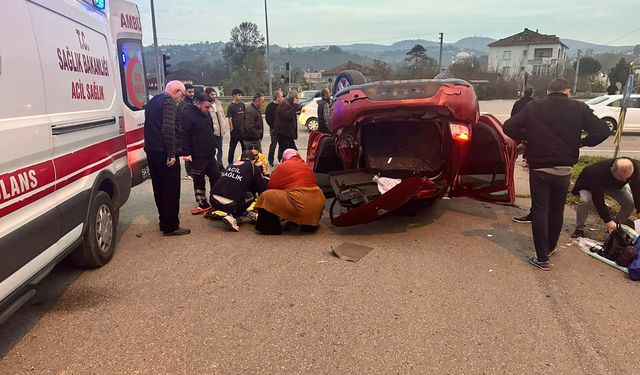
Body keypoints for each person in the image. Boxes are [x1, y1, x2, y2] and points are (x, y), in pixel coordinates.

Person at [503, 78, 609, 270]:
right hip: (564, 170)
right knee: (556, 211)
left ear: (548, 91)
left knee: (540, 212)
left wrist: (528, 138)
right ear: (567, 91)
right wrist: (583, 142)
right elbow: (602, 130)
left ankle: (542, 258)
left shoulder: (534, 106)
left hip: (540, 169)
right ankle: (551, 246)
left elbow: (508, 127)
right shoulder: (579, 108)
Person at [143, 80, 190, 236]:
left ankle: (163, 221)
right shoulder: (169, 103)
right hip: (165, 153)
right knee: (171, 190)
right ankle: (171, 226)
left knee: (159, 188)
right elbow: (168, 129)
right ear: (176, 91)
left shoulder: (153, 101)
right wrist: (171, 153)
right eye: (181, 95)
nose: (181, 99)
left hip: (152, 151)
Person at [255, 149, 326, 235]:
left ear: (284, 158)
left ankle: (270, 228)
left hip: (300, 203)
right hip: (316, 202)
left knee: (267, 196)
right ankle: (309, 225)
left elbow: (271, 186)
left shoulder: (284, 166)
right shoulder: (306, 166)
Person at [571, 158, 640, 238]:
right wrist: (607, 220)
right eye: (622, 177)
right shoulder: (595, 172)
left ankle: (614, 228)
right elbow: (598, 199)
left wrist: (639, 210)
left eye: (627, 178)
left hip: (613, 185)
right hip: (589, 185)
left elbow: (636, 188)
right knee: (585, 200)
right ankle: (579, 228)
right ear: (612, 170)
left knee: (629, 204)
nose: (625, 180)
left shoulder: (634, 168)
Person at [180, 93, 221, 214]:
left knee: (216, 176)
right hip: (197, 154)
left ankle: (216, 199)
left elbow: (210, 130)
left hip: (209, 153)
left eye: (209, 107)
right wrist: (186, 154)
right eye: (206, 107)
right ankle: (201, 202)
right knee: (199, 179)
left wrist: (214, 144)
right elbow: (184, 135)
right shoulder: (187, 114)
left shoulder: (206, 114)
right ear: (198, 104)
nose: (208, 110)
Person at [209, 150, 268, 231]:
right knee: (250, 196)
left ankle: (232, 214)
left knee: (237, 192)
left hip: (213, 200)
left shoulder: (231, 165)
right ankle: (233, 217)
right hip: (230, 204)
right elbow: (262, 189)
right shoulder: (253, 168)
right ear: (253, 160)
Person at [511, 86, 535, 224]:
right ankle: (527, 159)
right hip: (530, 133)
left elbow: (512, 118)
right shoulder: (535, 104)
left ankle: (514, 157)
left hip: (520, 131)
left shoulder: (518, 103)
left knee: (518, 148)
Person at [274, 90, 299, 161]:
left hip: (288, 134)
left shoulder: (288, 104)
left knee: (294, 152)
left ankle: (294, 165)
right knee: (285, 152)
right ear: (293, 98)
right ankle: (284, 165)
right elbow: (288, 116)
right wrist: (294, 106)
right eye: (296, 98)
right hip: (283, 134)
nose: (298, 100)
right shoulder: (283, 105)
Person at [205, 87, 227, 168]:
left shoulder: (218, 104)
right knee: (212, 151)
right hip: (212, 132)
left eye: (215, 94)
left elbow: (223, 116)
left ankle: (220, 165)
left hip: (220, 132)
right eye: (212, 94)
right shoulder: (206, 105)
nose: (214, 96)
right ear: (207, 95)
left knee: (220, 150)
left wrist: (224, 126)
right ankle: (212, 166)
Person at [179, 83, 196, 179]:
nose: (192, 94)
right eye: (189, 92)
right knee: (187, 152)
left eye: (193, 92)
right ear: (185, 92)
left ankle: (192, 170)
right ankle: (188, 171)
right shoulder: (183, 104)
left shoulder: (191, 102)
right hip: (186, 132)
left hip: (192, 131)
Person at [226, 88, 246, 165]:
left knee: (244, 147)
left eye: (241, 95)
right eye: (239, 95)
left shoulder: (242, 105)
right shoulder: (231, 106)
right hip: (235, 131)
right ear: (234, 96)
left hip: (242, 130)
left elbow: (245, 116)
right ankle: (230, 162)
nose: (240, 97)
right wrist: (231, 129)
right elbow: (229, 118)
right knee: (232, 147)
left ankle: (244, 161)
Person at [265, 90, 284, 166]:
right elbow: (267, 118)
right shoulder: (270, 106)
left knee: (281, 145)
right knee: (273, 145)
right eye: (282, 96)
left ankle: (280, 159)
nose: (283, 98)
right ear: (278, 97)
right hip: (273, 129)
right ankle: (270, 160)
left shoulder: (282, 105)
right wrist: (272, 126)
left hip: (282, 129)